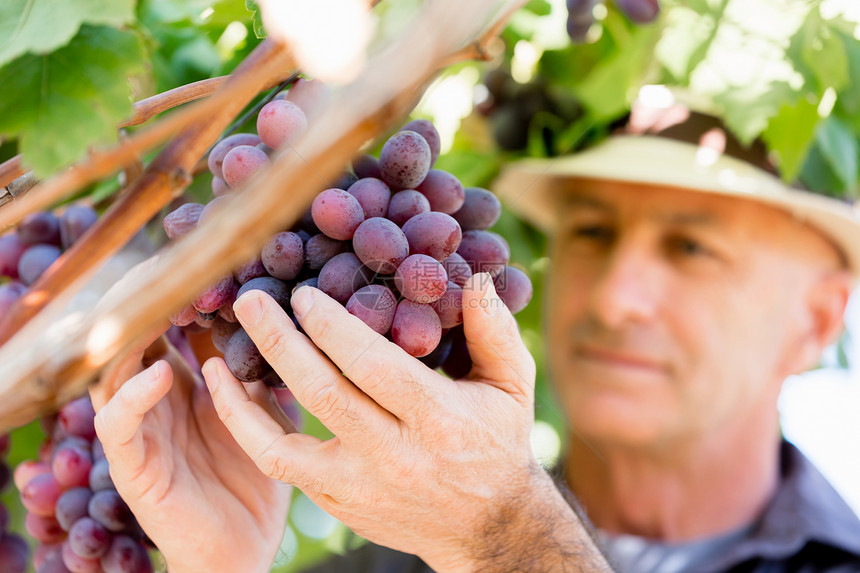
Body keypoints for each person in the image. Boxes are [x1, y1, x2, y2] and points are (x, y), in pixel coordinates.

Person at [90, 101, 860, 573]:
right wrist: (222, 568)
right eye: (590, 231)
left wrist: (508, 541)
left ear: (819, 319)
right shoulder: (391, 562)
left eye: (695, 247)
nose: (619, 297)